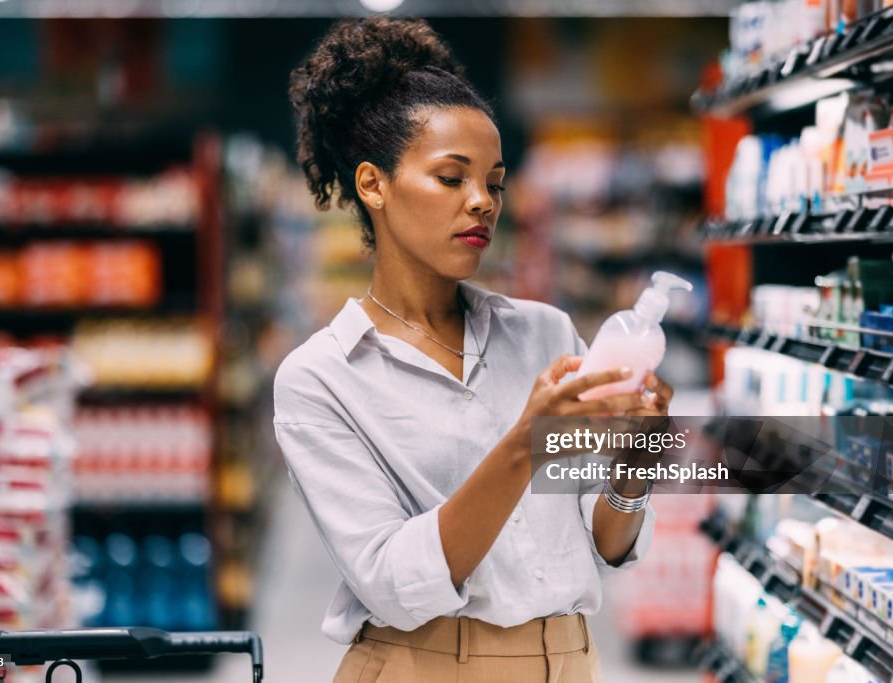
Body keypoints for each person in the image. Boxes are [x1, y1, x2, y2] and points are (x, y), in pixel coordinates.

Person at [274, 16, 672, 682]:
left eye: (495, 181)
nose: (482, 202)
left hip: (567, 660)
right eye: (452, 178)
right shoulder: (321, 378)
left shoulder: (545, 334)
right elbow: (394, 582)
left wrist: (637, 458)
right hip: (419, 663)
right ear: (373, 184)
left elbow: (605, 544)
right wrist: (526, 442)